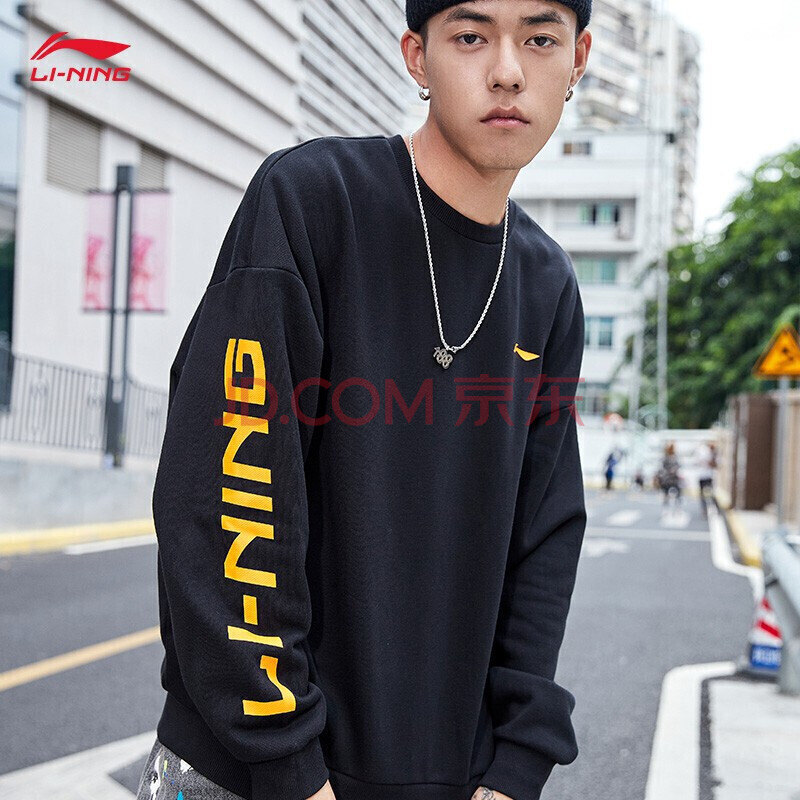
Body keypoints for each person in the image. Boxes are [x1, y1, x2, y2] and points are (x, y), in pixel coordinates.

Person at [137, 2, 592, 800]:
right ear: (417, 57)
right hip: (247, 775)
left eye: (540, 39)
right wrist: (287, 762)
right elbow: (227, 489)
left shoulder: (547, 285)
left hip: (450, 778)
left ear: (577, 60)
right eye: (471, 37)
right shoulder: (314, 200)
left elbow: (543, 539)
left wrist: (517, 767)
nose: (508, 71)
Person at [695, 441, 718, 514]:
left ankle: (708, 509)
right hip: (705, 476)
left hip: (706, 476)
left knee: (708, 494)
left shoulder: (710, 453)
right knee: (707, 493)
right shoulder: (708, 453)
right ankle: (707, 509)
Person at [657, 442, 682, 507]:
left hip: (672, 478)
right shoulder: (666, 457)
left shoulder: (674, 457)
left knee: (676, 490)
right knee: (667, 490)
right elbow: (662, 467)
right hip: (668, 478)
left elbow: (678, 465)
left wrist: (673, 470)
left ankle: (676, 503)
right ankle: (668, 503)